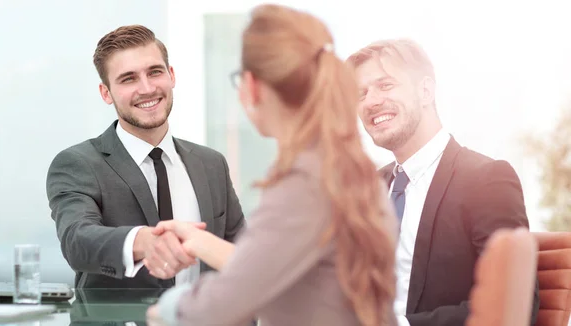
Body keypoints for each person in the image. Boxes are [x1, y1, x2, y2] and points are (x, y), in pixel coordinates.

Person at [144, 4, 398, 326]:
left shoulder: (304, 182)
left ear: (251, 86)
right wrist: (199, 242)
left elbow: (222, 305)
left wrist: (166, 308)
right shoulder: (348, 169)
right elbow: (282, 266)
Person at [347, 39, 539, 326]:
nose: (370, 102)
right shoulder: (371, 187)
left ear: (425, 91)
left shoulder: (486, 180)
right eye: (360, 93)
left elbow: (514, 304)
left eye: (385, 85)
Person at [46, 25, 246, 289]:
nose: (147, 88)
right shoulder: (78, 164)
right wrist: (143, 241)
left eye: (155, 72)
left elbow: (243, 253)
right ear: (106, 93)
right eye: (128, 79)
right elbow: (77, 241)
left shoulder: (212, 164)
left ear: (171, 75)